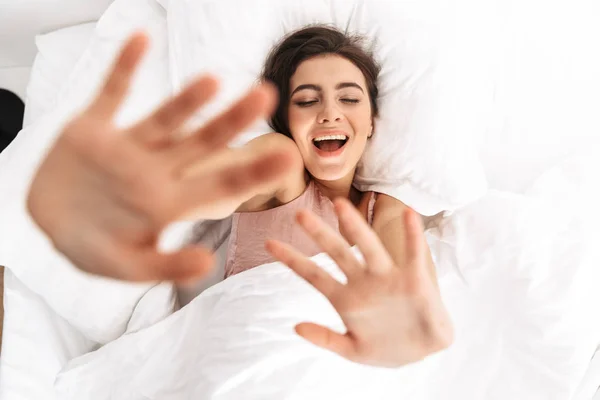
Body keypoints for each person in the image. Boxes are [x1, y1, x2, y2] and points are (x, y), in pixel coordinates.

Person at [27, 27, 453, 368]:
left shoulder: (390, 206)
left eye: (349, 97)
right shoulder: (281, 160)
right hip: (250, 357)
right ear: (285, 121)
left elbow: (415, 312)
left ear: (372, 122)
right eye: (307, 100)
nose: (329, 112)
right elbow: (218, 182)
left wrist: (407, 339)